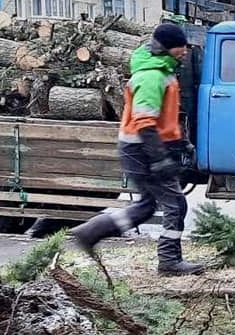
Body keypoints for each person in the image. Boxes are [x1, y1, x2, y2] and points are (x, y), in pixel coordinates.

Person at [69, 23, 205, 276]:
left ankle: (90, 232)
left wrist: (179, 143)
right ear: (167, 48)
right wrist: (159, 158)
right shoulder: (152, 76)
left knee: (146, 206)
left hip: (141, 148)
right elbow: (144, 121)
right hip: (142, 149)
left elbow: (162, 119)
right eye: (181, 46)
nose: (185, 50)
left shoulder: (163, 71)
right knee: (175, 203)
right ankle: (169, 261)